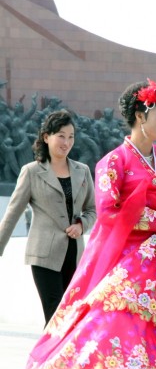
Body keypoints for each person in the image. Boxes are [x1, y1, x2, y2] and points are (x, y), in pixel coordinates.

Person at [0, 79, 156, 369]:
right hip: (125, 259)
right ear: (142, 114)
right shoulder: (113, 162)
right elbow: (108, 211)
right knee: (119, 328)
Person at [0, 110, 96, 325]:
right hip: (44, 256)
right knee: (55, 317)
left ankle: (59, 359)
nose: (67, 142)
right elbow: (12, 213)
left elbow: (92, 209)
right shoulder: (32, 172)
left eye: (71, 136)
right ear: (46, 137)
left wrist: (82, 225)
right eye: (61, 135)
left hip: (75, 254)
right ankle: (49, 358)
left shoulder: (83, 171)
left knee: (72, 318)